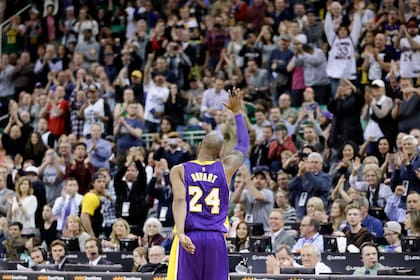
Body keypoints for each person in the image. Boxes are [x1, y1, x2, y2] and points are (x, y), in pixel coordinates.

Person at [167, 89, 249, 280]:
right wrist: (237, 112)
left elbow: (180, 200)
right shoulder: (225, 167)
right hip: (216, 238)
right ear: (220, 152)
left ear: (199, 145)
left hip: (190, 234)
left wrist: (180, 233)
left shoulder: (179, 170)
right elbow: (243, 145)